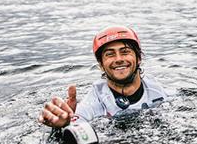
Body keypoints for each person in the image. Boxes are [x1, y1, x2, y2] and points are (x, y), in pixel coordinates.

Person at [39, 25, 171, 128]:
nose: (119, 59)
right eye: (110, 54)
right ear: (101, 65)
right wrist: (62, 126)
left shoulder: (156, 90)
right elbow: (77, 122)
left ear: (139, 58)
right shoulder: (94, 102)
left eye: (125, 52)